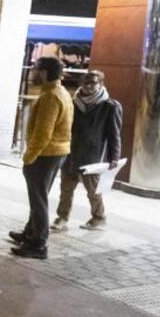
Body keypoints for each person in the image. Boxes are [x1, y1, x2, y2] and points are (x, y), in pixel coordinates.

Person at [9, 56, 72, 259]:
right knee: (39, 197)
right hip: (56, 152)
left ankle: (39, 245)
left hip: (46, 154)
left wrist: (30, 156)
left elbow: (43, 133)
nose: (33, 73)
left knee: (38, 200)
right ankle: (30, 233)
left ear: (44, 73)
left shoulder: (50, 97)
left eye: (36, 70)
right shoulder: (60, 92)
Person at [53, 70, 122, 232]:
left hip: (92, 156)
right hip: (70, 153)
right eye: (85, 82)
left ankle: (99, 218)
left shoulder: (109, 106)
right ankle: (62, 217)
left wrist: (114, 157)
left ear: (101, 84)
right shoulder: (73, 102)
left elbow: (115, 134)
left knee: (93, 191)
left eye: (93, 83)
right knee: (66, 189)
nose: (89, 86)